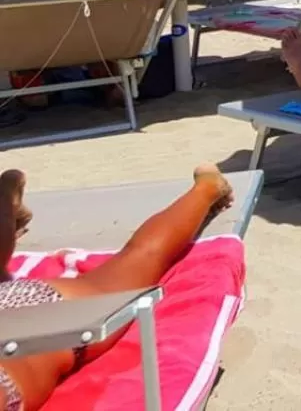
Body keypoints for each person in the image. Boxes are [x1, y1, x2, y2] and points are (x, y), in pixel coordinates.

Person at [0, 165, 234, 411]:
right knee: (138, 259)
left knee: (139, 259)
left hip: (36, 319)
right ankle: (5, 198)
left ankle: (208, 188)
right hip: (21, 325)